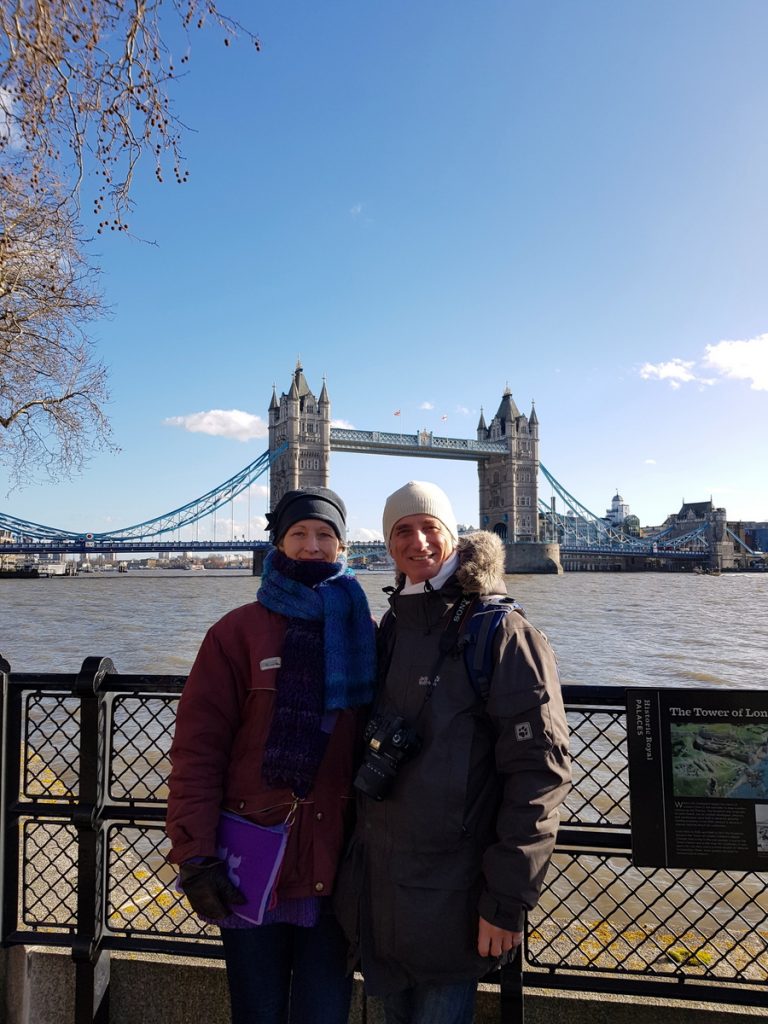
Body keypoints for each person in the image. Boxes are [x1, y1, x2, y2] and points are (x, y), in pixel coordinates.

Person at [335, 481, 572, 1024]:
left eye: (430, 527)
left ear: (454, 535)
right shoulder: (393, 625)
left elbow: (539, 774)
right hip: (381, 894)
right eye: (402, 531)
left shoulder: (503, 632)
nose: (417, 541)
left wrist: (507, 902)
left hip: (457, 897)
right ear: (388, 545)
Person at [166, 487, 377, 1024]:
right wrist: (195, 855)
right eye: (298, 533)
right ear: (278, 543)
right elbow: (197, 752)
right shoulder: (236, 632)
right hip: (252, 862)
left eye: (325, 534)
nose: (312, 545)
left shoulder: (367, 633)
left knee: (324, 1014)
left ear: (342, 545)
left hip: (336, 865)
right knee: (256, 1013)